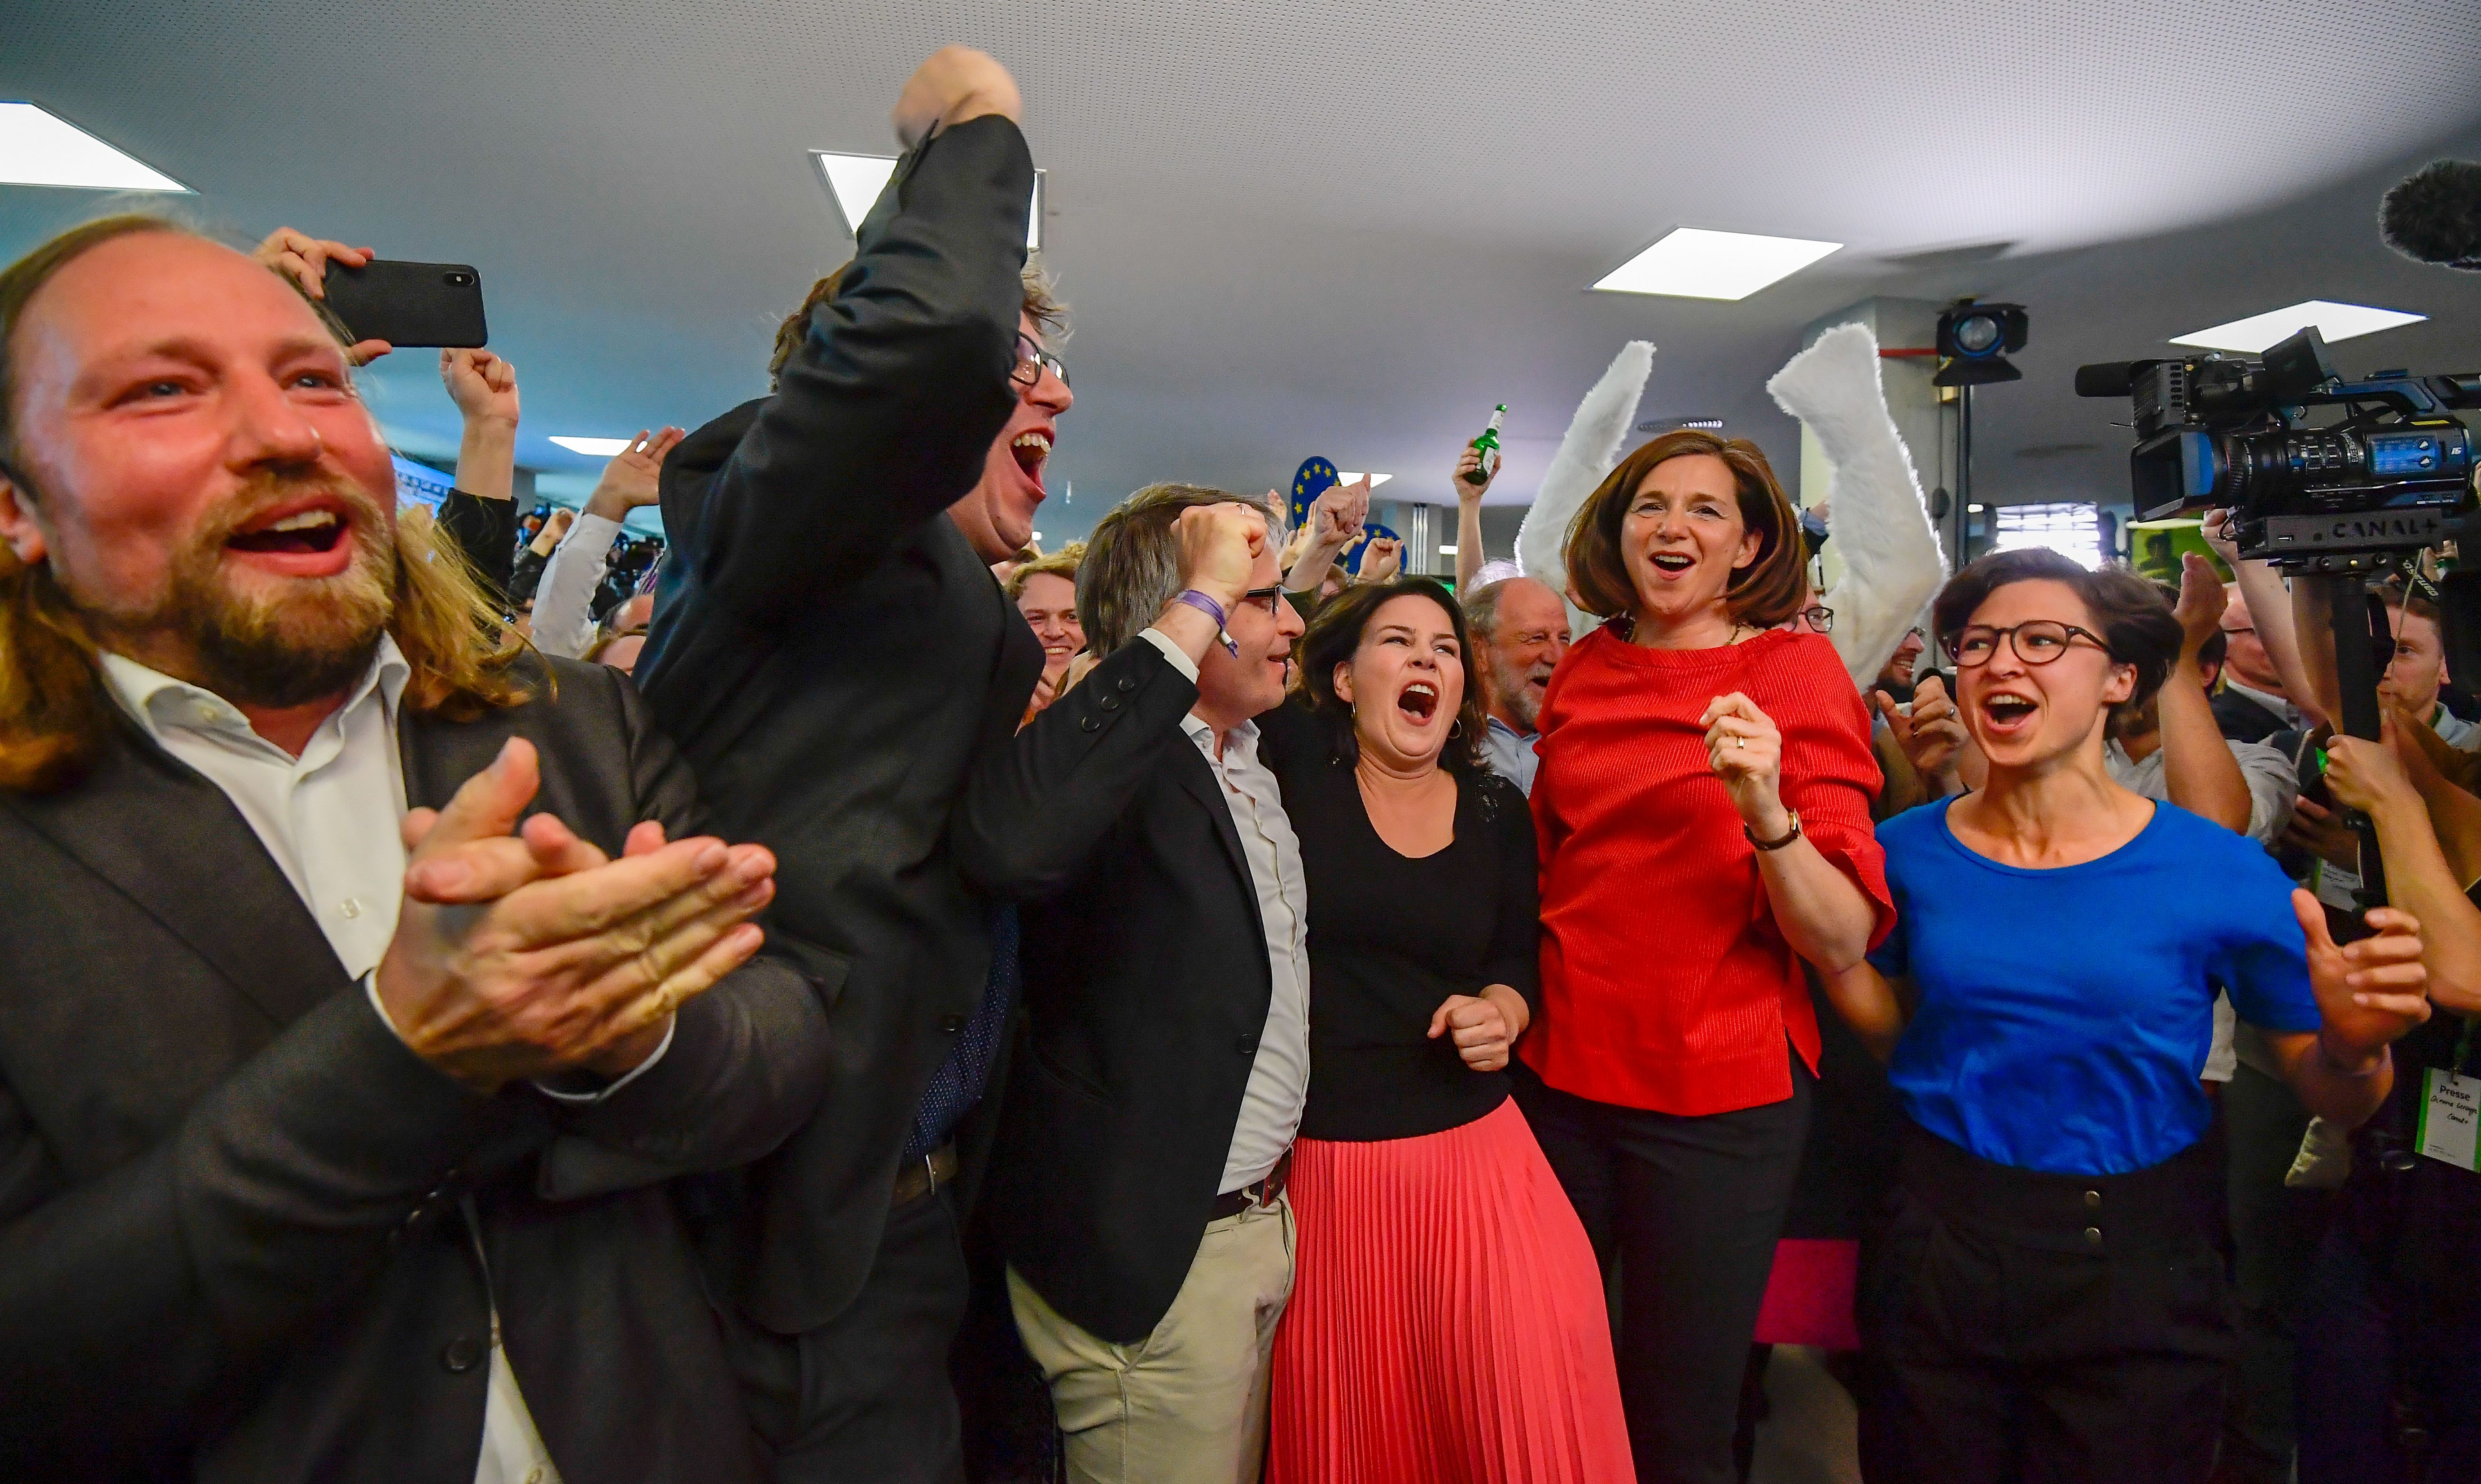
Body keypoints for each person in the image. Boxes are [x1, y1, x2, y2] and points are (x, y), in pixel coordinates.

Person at [0, 215, 832, 1480]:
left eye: (315, 379)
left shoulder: (571, 723)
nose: (285, 434)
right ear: (18, 508)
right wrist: (405, 1045)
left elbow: (782, 1049)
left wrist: (626, 1026)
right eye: (164, 390)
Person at [634, 47, 1072, 1482]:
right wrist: (967, 122)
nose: (1051, 401)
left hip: (907, 1224)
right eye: (1025, 370)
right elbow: (935, 333)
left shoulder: (943, 601)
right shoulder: (779, 520)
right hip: (786, 1241)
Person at [1814, 548, 2431, 1484]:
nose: (1998, 664)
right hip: (1937, 1241)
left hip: (2140, 1255)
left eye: (2040, 640)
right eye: (1975, 643)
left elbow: (2335, 1094)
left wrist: (2352, 1049)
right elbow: (1889, 1022)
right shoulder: (1904, 855)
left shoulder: (2211, 868)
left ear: (2117, 678)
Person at [1512, 428, 1893, 1483]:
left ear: (1748, 545)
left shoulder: (1793, 669)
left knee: (1677, 1403)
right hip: (1560, 1070)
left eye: (1704, 509)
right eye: (1648, 505)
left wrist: (1766, 811)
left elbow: (1841, 933)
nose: (1669, 525)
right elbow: (1551, 862)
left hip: (1716, 1090)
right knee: (1552, 1372)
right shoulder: (1587, 662)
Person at [951, 487, 1308, 1484]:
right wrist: (1197, 601)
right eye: (1263, 599)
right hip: (1157, 1252)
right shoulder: (1111, 766)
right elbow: (1011, 845)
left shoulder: (1257, 755)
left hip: (1257, 1225)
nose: (1289, 627)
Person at [1256, 576, 1632, 1482]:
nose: (1426, 657)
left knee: (1523, 1412)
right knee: (1368, 1432)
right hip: (1329, 1169)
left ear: (1464, 685)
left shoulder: (1496, 808)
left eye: (1445, 647)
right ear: (1343, 679)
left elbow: (1515, 955)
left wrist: (1500, 1012)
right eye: (1397, 641)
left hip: (1477, 1158)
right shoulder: (1292, 768)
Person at [2107, 556, 2297, 844]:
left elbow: (2215, 835)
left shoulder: (2257, 763)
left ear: (2204, 670)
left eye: (2144, 655)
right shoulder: (2055, 754)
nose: (2122, 674)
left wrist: (2181, 655)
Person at [533, 426, 685, 658]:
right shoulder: (586, 685)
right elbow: (561, 613)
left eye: (668, 632)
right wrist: (610, 500)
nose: (654, 646)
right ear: (600, 649)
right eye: (641, 632)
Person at [1461, 573, 1571, 794]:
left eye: (1564, 639)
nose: (1558, 657)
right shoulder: (1444, 746)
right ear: (1479, 652)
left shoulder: (1585, 744)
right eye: (1537, 637)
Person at [1006, 542, 1084, 720]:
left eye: (1072, 617)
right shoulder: (990, 708)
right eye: (1036, 618)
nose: (1054, 632)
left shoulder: (1125, 701)